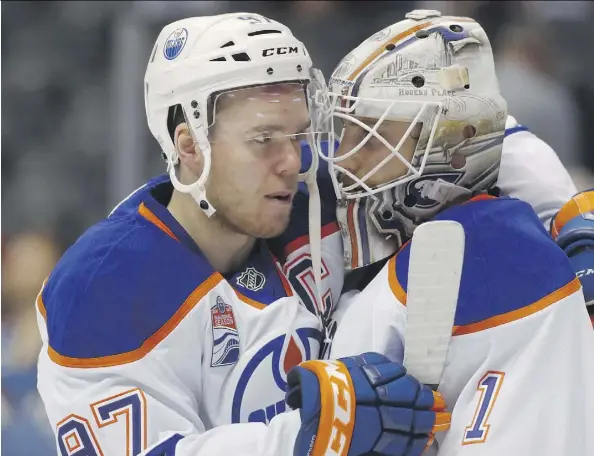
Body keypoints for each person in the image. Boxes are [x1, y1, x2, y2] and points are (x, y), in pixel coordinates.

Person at [35, 12, 450, 456]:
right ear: (190, 145)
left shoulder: (323, 193)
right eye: (264, 138)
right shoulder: (102, 287)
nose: (292, 161)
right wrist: (309, 437)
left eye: (298, 134)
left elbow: (475, 146)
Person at [312, 9, 594, 455]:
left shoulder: (495, 263)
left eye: (370, 136)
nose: (343, 159)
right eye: (346, 131)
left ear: (445, 147)